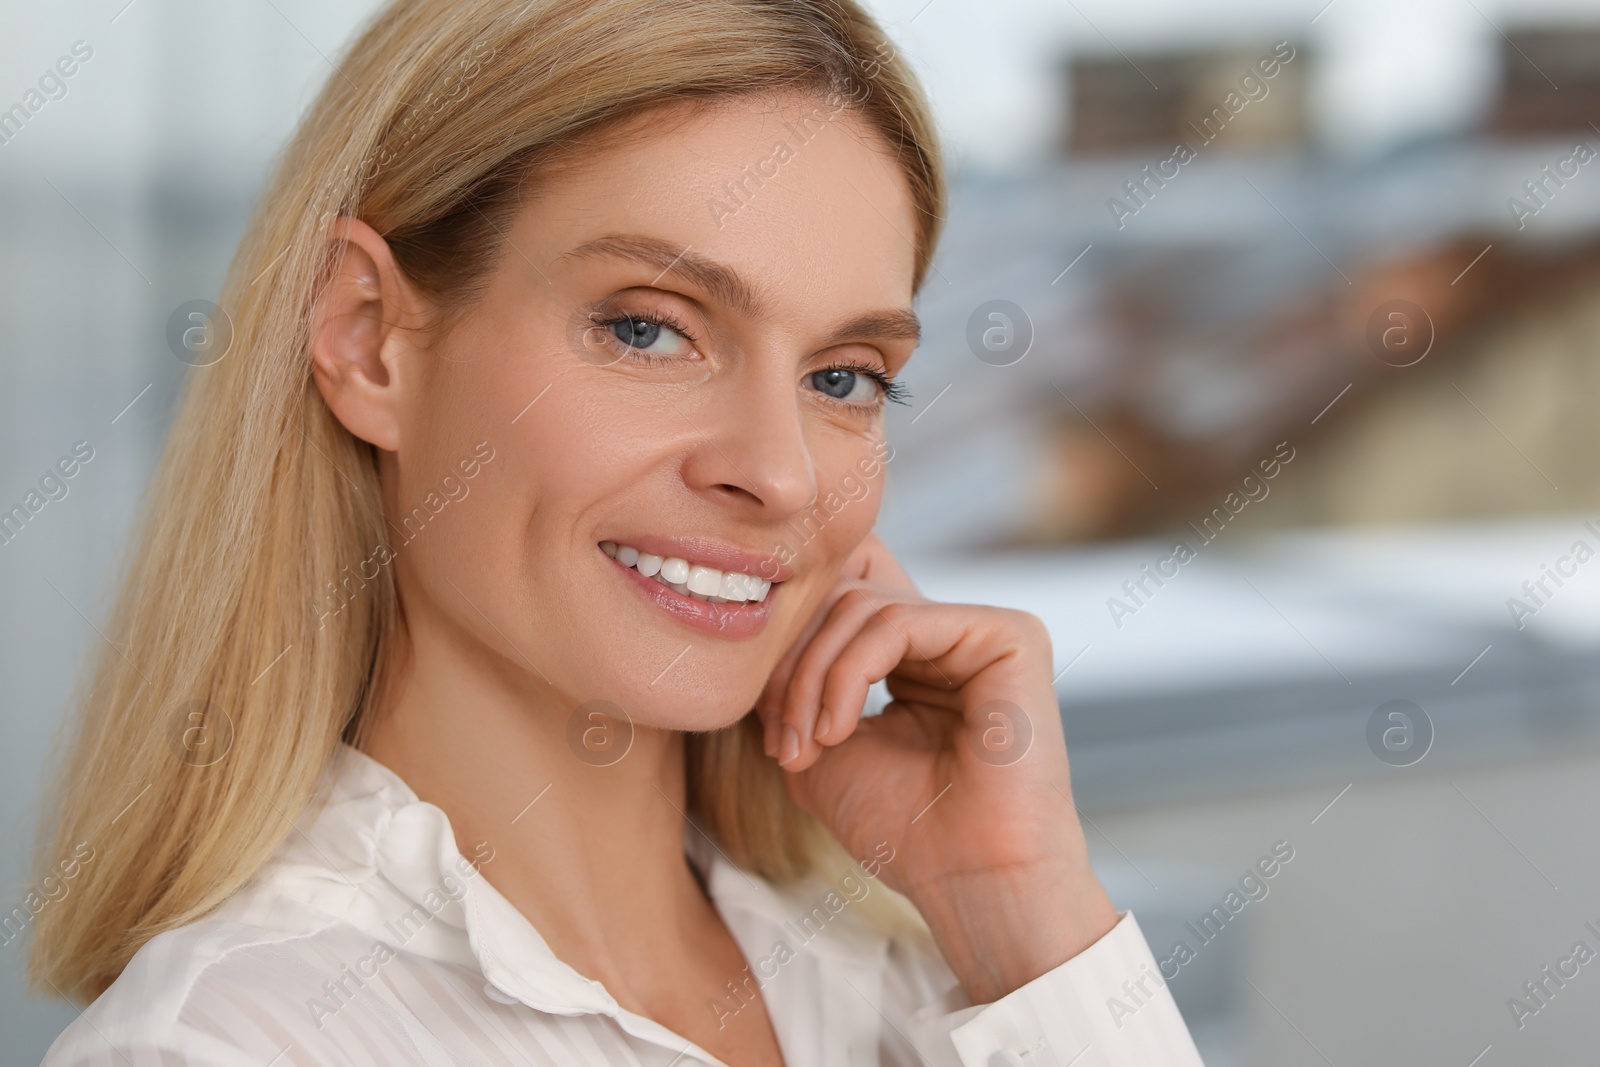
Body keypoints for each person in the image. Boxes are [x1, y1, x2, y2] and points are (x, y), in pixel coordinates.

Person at [29, 0, 1205, 1063]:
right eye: (648, 330)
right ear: (367, 336)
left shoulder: (929, 988)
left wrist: (1020, 909)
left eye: (844, 377)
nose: (779, 473)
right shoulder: (230, 1045)